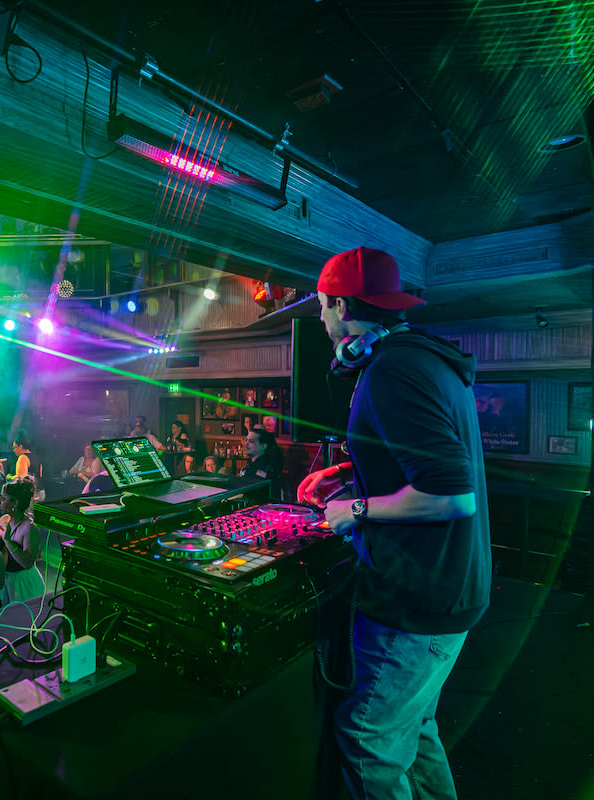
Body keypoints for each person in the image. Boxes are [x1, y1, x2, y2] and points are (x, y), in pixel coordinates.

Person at [297, 246, 490, 800]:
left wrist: (353, 509)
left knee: (367, 741)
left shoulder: (392, 372)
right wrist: (344, 471)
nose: (321, 319)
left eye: (322, 308)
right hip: (451, 591)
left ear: (337, 305)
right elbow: (418, 456)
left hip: (419, 598)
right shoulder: (423, 359)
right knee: (415, 726)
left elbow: (453, 497)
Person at [0, 477, 43, 603]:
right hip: (5, 581)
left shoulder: (30, 528)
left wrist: (8, 541)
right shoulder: (3, 520)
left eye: (3, 499)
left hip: (24, 584)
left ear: (15, 503)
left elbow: (27, 563)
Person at [235, 427, 283, 504]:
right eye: (247, 440)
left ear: (263, 446)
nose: (246, 443)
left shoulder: (266, 467)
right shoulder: (251, 462)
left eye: (251, 441)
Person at [10, 431, 43, 496]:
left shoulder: (22, 457)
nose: (13, 450)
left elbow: (20, 479)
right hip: (41, 492)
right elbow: (40, 475)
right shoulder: (37, 457)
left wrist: (9, 477)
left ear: (20, 446)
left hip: (31, 494)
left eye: (14, 447)